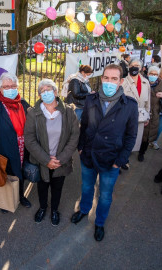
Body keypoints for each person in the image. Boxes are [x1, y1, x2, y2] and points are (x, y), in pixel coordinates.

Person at [71, 64, 138, 241]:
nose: (109, 82)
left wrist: (121, 160)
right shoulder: (91, 99)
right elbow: (83, 125)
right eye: (106, 78)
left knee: (105, 194)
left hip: (112, 159)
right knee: (86, 188)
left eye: (114, 79)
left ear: (121, 81)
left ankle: (99, 222)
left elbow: (131, 136)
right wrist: (80, 147)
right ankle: (84, 210)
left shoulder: (129, 105)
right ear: (101, 79)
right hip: (88, 155)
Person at [24, 79, 79, 226]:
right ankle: (43, 208)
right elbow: (29, 139)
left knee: (57, 187)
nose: (46, 93)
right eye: (42, 91)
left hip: (61, 161)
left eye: (49, 89)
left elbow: (74, 137)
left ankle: (54, 210)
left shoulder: (68, 111)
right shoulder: (33, 113)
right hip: (42, 161)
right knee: (42, 186)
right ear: (40, 95)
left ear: (55, 92)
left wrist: (60, 159)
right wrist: (46, 160)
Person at [0, 72, 32, 210]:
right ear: (0, 89)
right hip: (3, 148)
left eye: (13, 86)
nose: (10, 89)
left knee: (21, 172)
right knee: (6, 175)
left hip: (23, 146)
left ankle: (21, 196)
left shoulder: (23, 104)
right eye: (6, 87)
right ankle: (5, 200)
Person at [121, 58, 151, 159]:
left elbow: (148, 101)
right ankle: (122, 160)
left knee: (135, 139)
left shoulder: (145, 82)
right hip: (125, 116)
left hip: (140, 116)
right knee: (123, 138)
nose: (134, 67)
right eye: (132, 65)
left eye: (137, 66)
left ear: (141, 68)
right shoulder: (123, 82)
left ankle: (126, 157)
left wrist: (147, 115)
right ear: (128, 67)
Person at [138, 66, 162, 161]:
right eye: (151, 74)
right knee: (137, 133)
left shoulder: (160, 85)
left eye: (155, 74)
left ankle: (142, 152)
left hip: (154, 114)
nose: (153, 76)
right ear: (148, 74)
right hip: (141, 112)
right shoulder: (142, 82)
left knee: (147, 136)